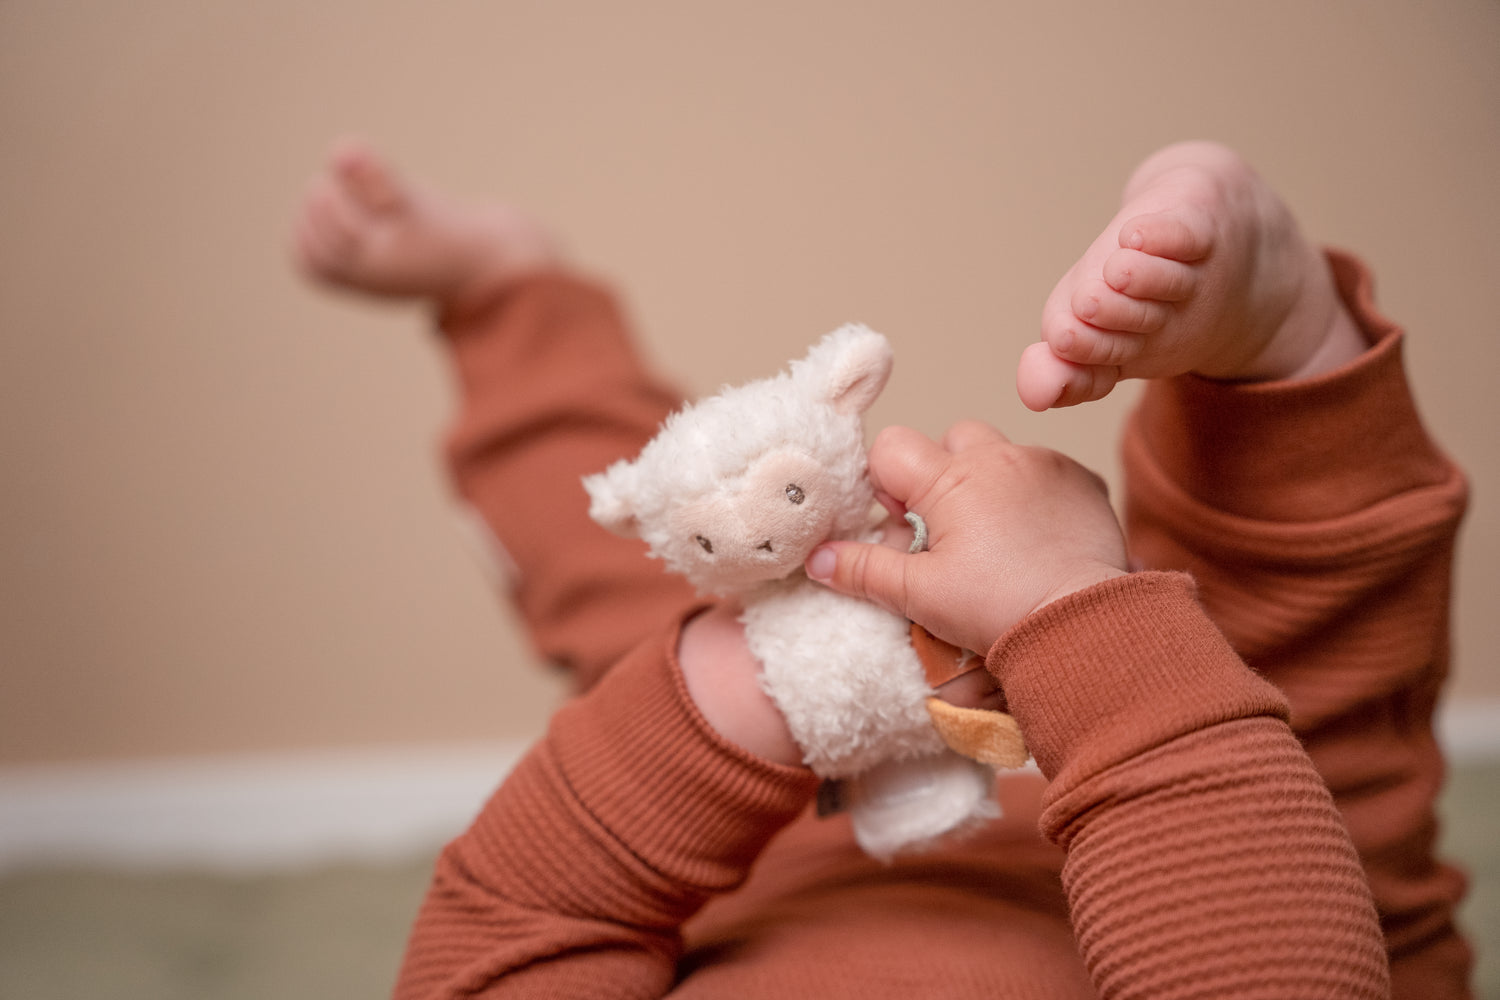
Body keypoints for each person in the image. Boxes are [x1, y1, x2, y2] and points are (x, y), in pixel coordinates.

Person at [293, 140, 1473, 998]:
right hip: (1242, 874)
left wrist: (722, 702)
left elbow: (518, 932)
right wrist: (1078, 621)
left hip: (760, 839)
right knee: (1303, 710)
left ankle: (511, 296)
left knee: (645, 555)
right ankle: (1279, 365)